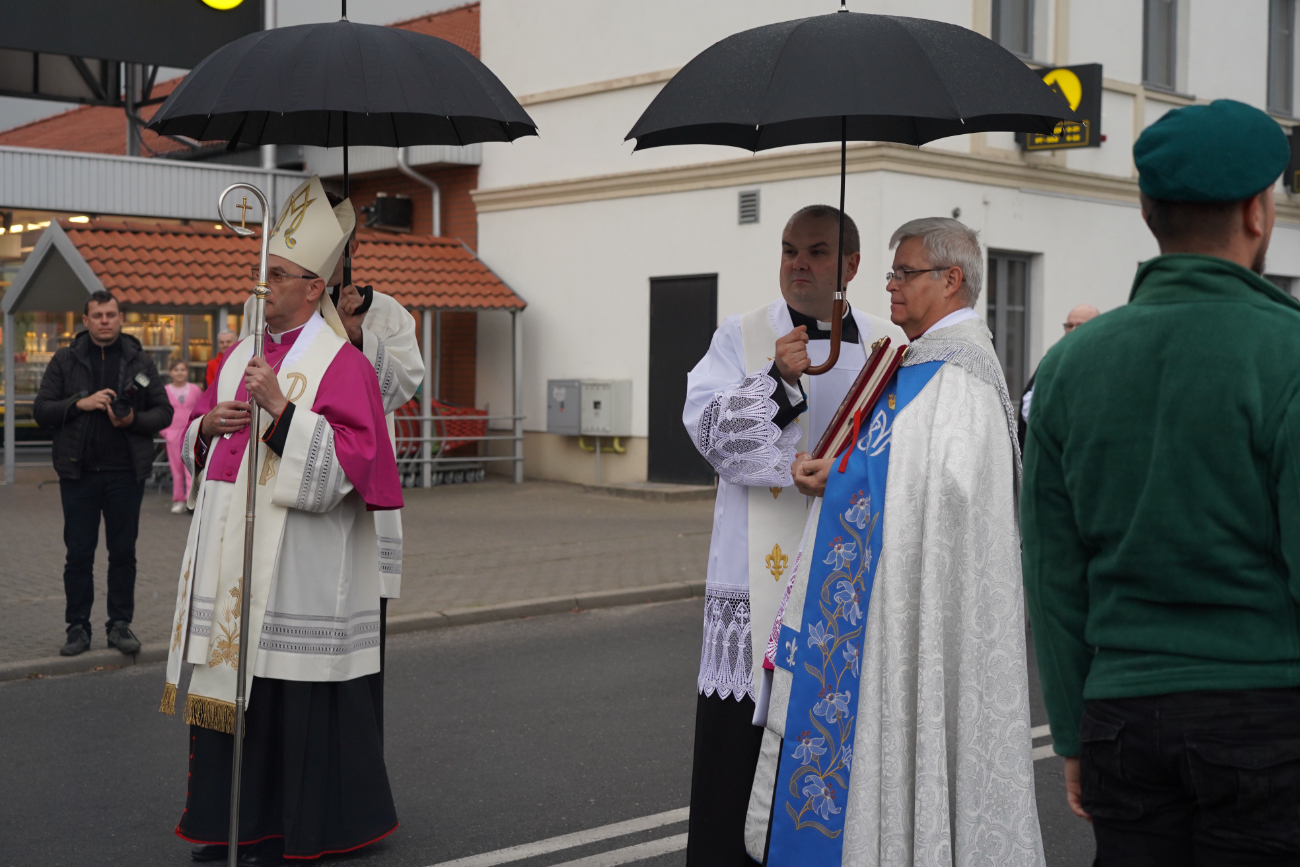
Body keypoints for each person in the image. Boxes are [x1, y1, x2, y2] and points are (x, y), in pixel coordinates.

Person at [1022, 100, 1300, 865]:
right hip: (1266, 715)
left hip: (1121, 714)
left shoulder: (1070, 366)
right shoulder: (1288, 353)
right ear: (1257, 212)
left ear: (1147, 212)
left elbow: (1053, 573)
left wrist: (1074, 733)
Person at [744, 217, 1043, 865]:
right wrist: (843, 470)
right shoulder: (918, 364)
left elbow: (945, 492)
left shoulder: (959, 377)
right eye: (891, 272)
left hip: (920, 611)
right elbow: (901, 470)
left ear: (951, 279)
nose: (890, 286)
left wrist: (846, 477)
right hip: (888, 605)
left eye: (903, 273)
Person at [161, 175, 404, 865]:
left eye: (276, 274)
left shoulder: (343, 364)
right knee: (242, 687)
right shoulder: (240, 352)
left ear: (313, 286)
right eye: (263, 271)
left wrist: (283, 412)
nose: (262, 284)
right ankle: (240, 818)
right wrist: (205, 425)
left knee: (293, 699)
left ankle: (309, 826)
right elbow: (200, 445)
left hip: (302, 563)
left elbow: (355, 465)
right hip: (234, 559)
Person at [681, 205, 904, 866]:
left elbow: (907, 448)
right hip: (757, 583)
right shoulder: (744, 335)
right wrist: (776, 383)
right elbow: (709, 435)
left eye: (814, 251)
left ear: (851, 266)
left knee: (833, 750)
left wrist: (843, 477)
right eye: (787, 250)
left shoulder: (890, 345)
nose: (797, 263)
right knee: (738, 762)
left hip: (849, 574)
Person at [241, 191, 424, 720]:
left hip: (347, 479)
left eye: (346, 245)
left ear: (353, 247)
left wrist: (358, 335)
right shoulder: (268, 303)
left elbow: (400, 388)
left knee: (350, 640)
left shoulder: (383, 310)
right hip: (273, 486)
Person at [33, 290, 172, 657]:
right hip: (78, 473)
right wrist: (79, 404)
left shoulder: (140, 360)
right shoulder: (65, 359)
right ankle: (78, 628)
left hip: (125, 474)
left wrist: (131, 420)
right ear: (86, 320)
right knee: (78, 553)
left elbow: (164, 413)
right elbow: (41, 409)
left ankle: (120, 625)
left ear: (121, 317)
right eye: (97, 315)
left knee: (123, 552)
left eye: (111, 314)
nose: (105, 321)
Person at [1017, 303, 1099, 448]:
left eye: (1079, 325)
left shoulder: (1106, 360)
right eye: (1069, 325)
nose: (1073, 330)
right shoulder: (1054, 359)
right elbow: (1029, 407)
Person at [162, 357, 202, 514]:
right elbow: (161, 411)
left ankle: (191, 499)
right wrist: (165, 431)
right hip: (172, 433)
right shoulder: (164, 390)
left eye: (183, 369)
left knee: (190, 466)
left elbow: (201, 409)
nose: (180, 373)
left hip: (191, 431)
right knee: (176, 468)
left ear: (187, 372)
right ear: (170, 372)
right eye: (176, 370)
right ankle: (178, 499)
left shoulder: (195, 389)